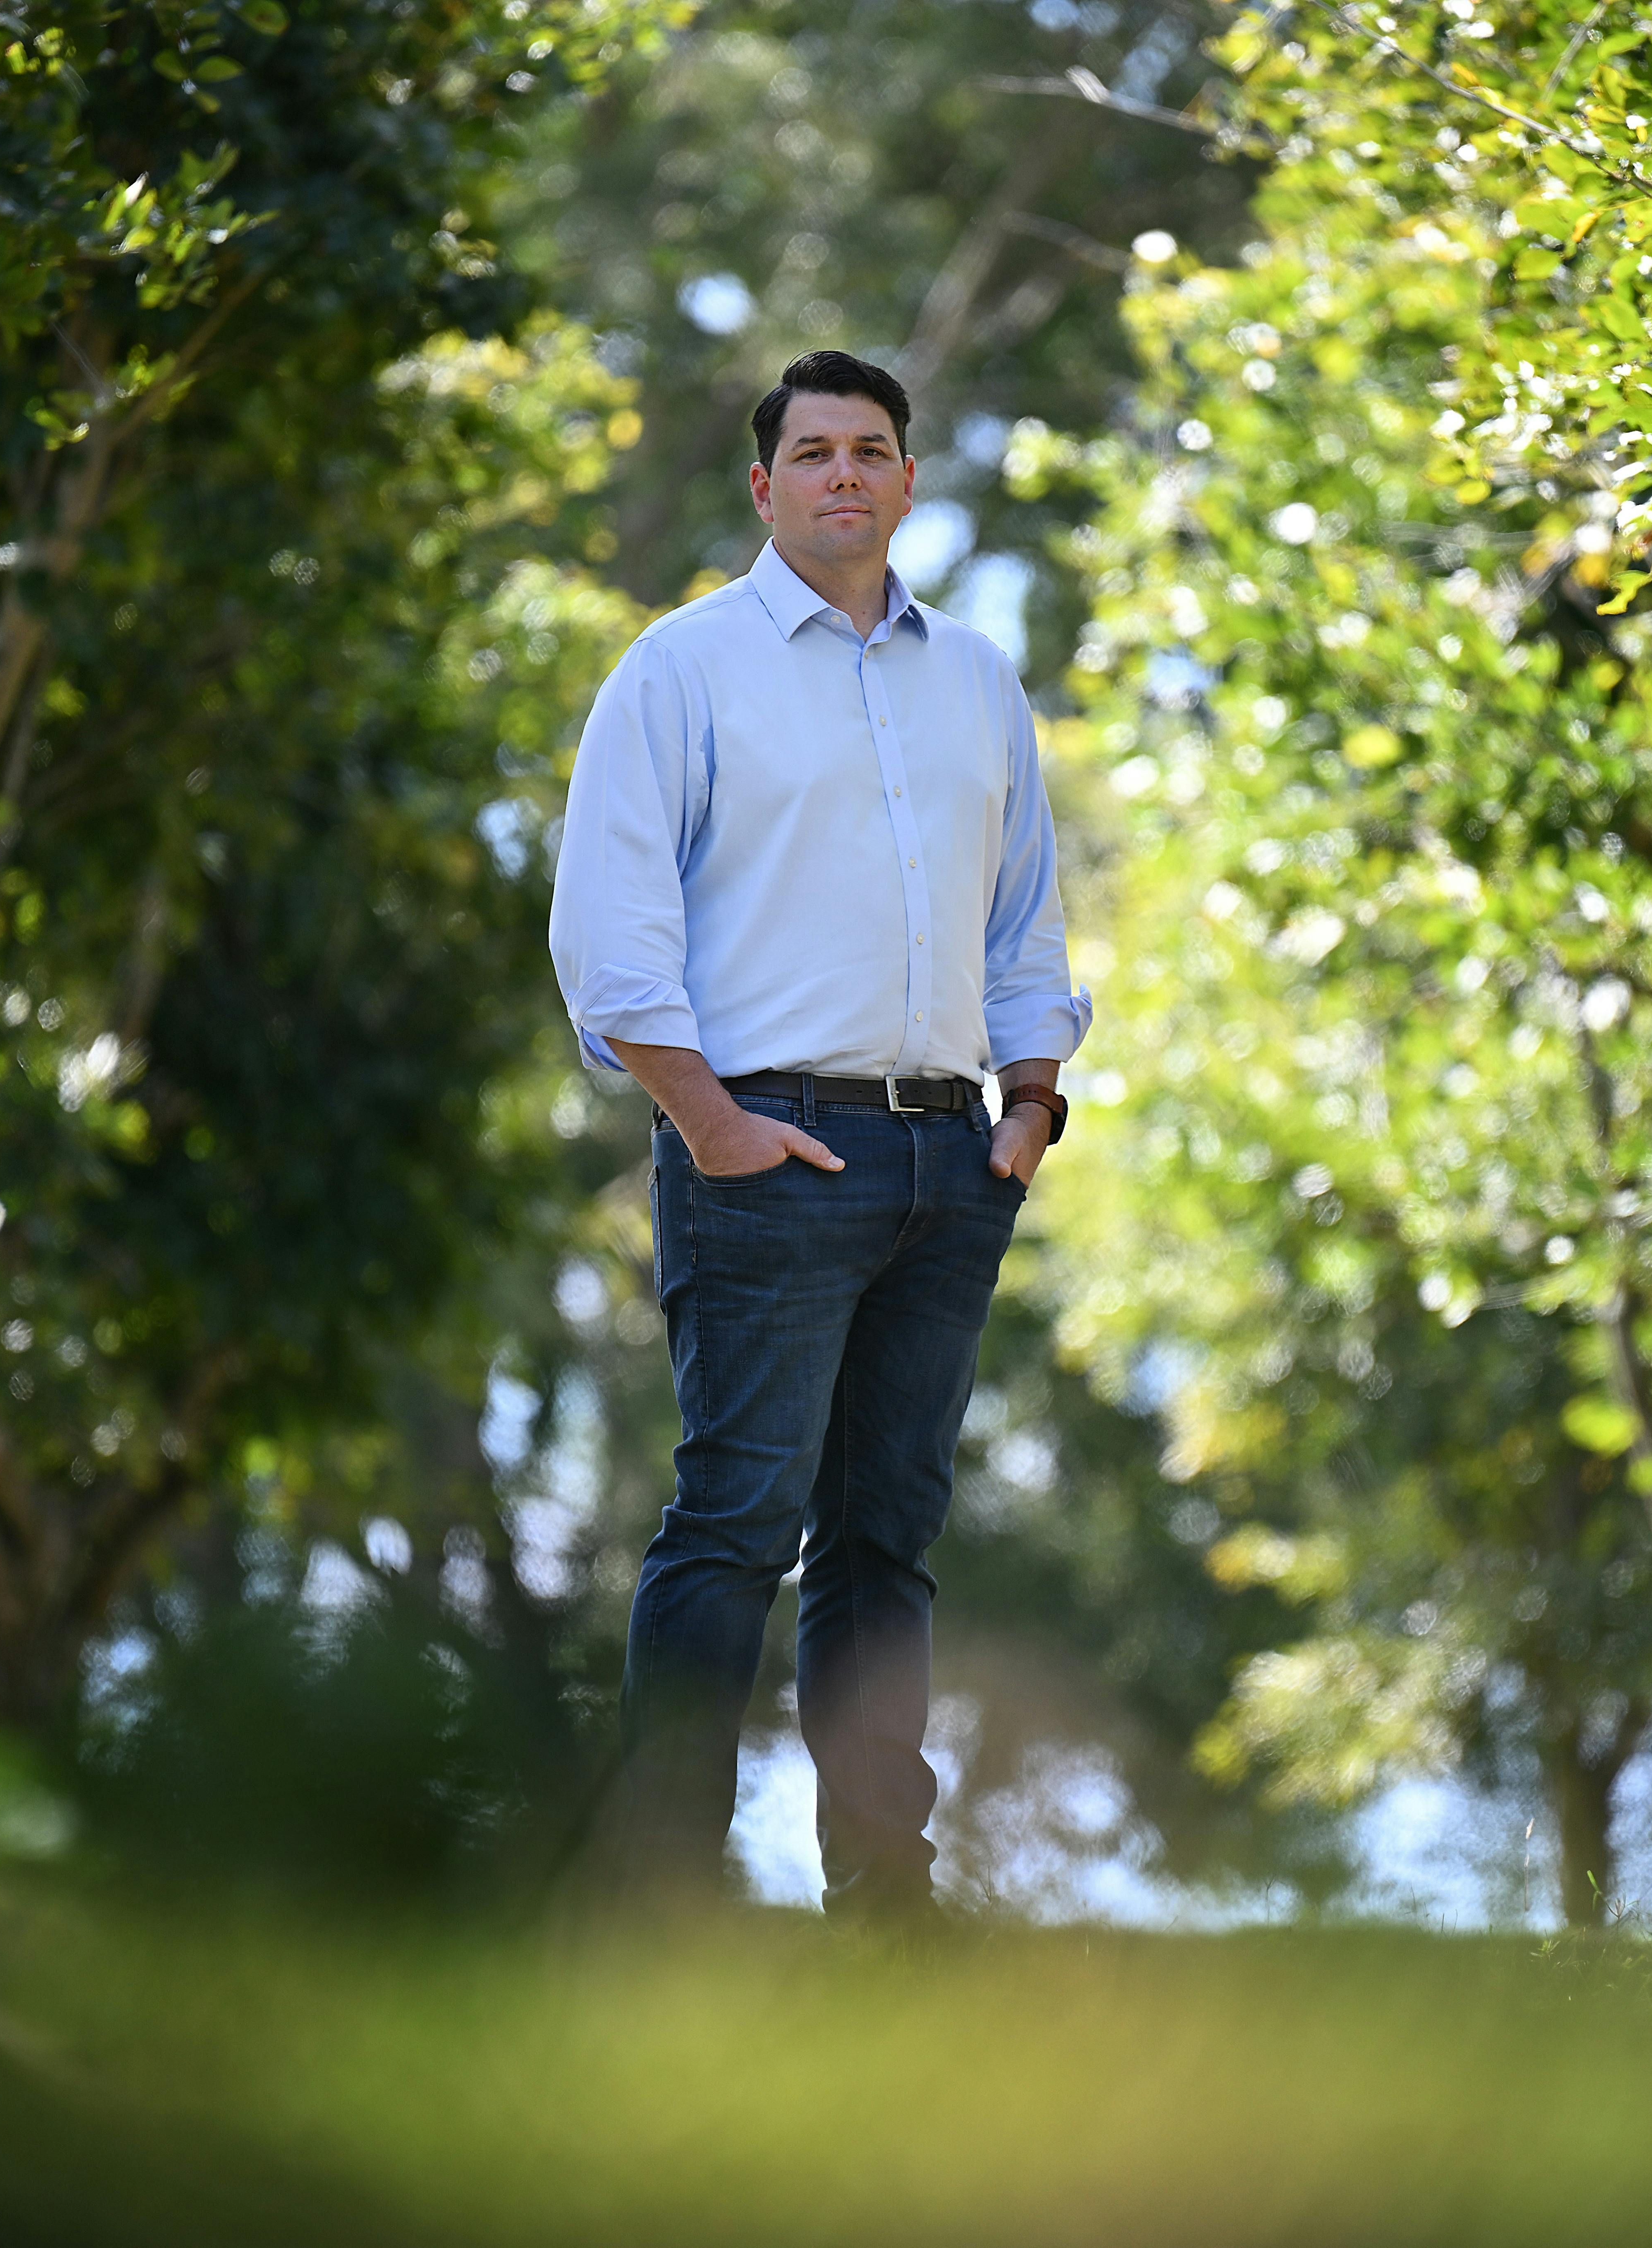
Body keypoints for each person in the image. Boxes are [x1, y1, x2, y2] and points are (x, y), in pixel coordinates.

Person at [547, 349, 1090, 1920]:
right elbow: (611, 937)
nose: (847, 474)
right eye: (816, 452)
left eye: (874, 450)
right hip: (765, 1154)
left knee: (885, 1546)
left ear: (911, 483)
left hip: (951, 1159)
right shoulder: (682, 669)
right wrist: (710, 1126)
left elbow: (1027, 921)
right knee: (732, 1526)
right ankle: (664, 1894)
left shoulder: (978, 679)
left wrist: (1032, 1105)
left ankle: (884, 1901)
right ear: (767, 487)